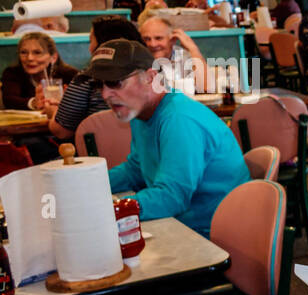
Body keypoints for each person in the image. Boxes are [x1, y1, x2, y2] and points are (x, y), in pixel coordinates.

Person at [92, 39, 248, 237]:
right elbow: (136, 169)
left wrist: (110, 211)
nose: (105, 94)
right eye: (100, 84)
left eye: (115, 82)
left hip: (214, 235)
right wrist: (87, 185)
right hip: (181, 224)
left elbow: (172, 197)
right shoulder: (141, 113)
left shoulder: (178, 119)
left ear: (150, 77)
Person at [48, 16, 142, 141]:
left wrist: (53, 111)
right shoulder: (152, 76)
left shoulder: (87, 79)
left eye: (91, 41)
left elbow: (62, 131)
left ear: (102, 45)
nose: (89, 48)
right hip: (148, 155)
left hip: (99, 156)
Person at [2, 32, 79, 110]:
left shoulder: (70, 74)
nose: (30, 58)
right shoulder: (12, 73)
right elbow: (9, 100)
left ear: (53, 57)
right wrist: (34, 103)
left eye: (37, 52)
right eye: (23, 52)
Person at [138, 14, 210, 95]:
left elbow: (206, 88)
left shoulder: (185, 57)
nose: (153, 44)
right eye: (147, 39)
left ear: (173, 40)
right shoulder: (137, 60)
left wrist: (193, 49)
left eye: (158, 38)